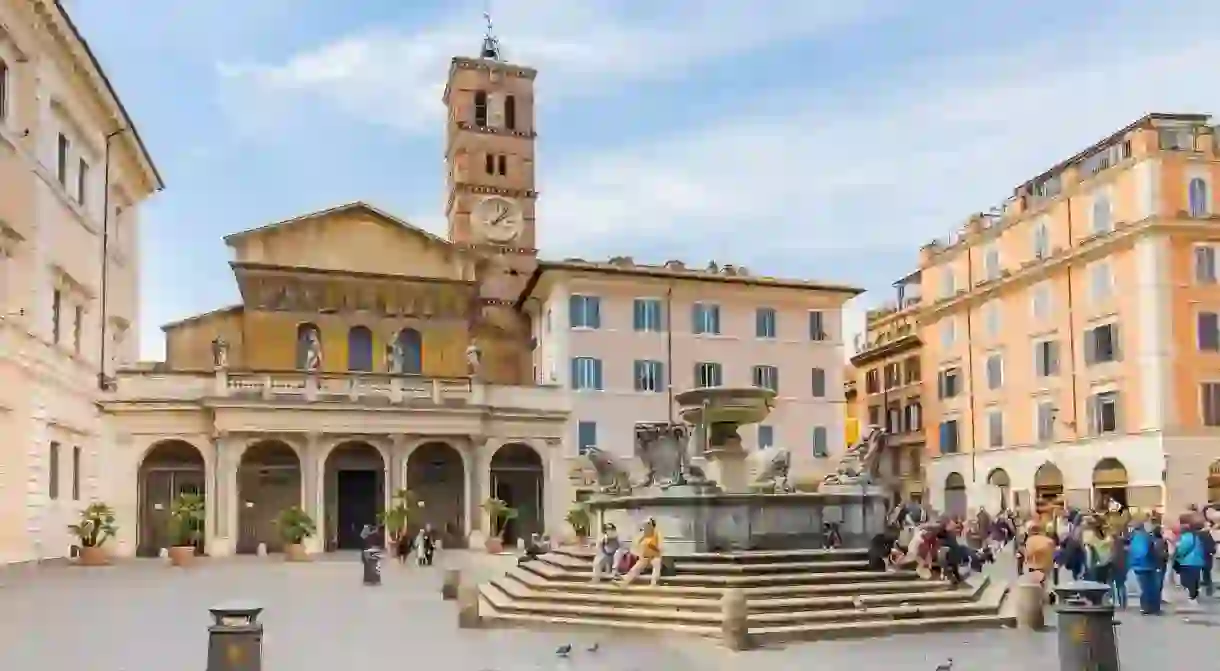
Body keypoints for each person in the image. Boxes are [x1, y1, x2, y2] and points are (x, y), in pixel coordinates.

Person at [1128, 519, 1162, 615]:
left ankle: (1146, 607)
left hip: (1141, 566)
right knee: (1151, 587)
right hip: (1149, 565)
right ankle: (1153, 608)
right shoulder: (1146, 536)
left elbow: (1141, 551)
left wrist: (1134, 559)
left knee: (1145, 588)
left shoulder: (1138, 537)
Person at [617, 519, 663, 587]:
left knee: (656, 564)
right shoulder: (643, 535)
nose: (646, 527)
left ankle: (654, 583)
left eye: (648, 525)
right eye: (645, 525)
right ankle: (625, 581)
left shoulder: (657, 534)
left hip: (655, 556)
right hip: (645, 557)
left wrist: (652, 547)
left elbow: (660, 548)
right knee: (637, 567)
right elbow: (636, 546)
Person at [1174, 515, 1206, 605]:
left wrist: (1177, 555)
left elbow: (1182, 549)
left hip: (1187, 561)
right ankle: (1195, 594)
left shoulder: (1186, 537)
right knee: (1195, 578)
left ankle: (1192, 596)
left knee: (1187, 579)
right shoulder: (1197, 536)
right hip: (1198, 561)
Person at [1022, 523, 1057, 602]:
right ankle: (1045, 596)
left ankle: (1036, 596)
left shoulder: (1029, 541)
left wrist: (1027, 561)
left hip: (1033, 565)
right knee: (1045, 581)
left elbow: (1028, 553)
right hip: (1046, 565)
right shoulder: (1049, 541)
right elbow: (1053, 553)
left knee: (1034, 582)